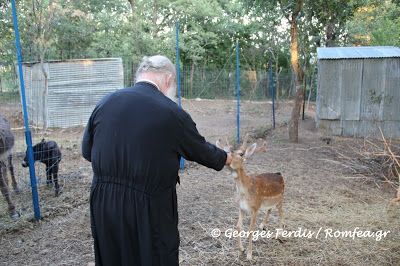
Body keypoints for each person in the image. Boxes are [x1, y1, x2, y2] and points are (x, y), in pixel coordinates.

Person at [82, 55, 232, 266]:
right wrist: (226, 158)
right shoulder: (171, 113)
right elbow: (201, 150)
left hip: (104, 203)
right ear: (168, 79)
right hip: (148, 207)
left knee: (112, 256)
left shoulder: (106, 102)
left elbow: (87, 152)